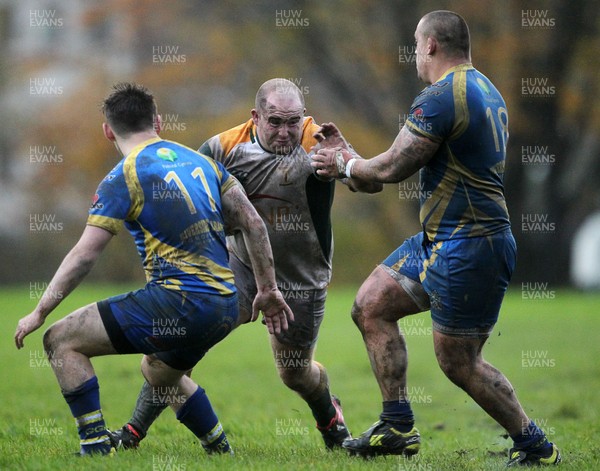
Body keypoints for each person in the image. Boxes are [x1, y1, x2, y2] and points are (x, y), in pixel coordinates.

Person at [311, 10, 561, 467]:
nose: (413, 54)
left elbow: (389, 169)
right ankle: (397, 426)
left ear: (429, 45)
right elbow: (380, 171)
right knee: (370, 305)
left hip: (473, 244)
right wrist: (347, 158)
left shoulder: (441, 96)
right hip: (440, 240)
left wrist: (344, 165)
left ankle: (535, 445)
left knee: (459, 362)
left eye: (414, 44)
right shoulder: (485, 89)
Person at [14, 82, 293, 456]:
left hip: (178, 302)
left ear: (108, 130)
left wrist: (39, 312)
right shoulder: (202, 162)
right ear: (158, 122)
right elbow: (254, 224)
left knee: (60, 340)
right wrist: (267, 289)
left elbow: (84, 256)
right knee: (161, 373)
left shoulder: (123, 176)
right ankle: (219, 449)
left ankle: (95, 449)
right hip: (225, 304)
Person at [111, 78, 382, 451]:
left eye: (293, 121)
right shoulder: (222, 148)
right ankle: (132, 433)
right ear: (255, 117)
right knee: (180, 349)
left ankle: (329, 417)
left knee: (295, 373)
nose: (286, 131)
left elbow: (372, 186)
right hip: (238, 267)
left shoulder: (317, 141)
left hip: (301, 278)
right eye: (275, 121)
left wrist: (348, 161)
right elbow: (192, 200)